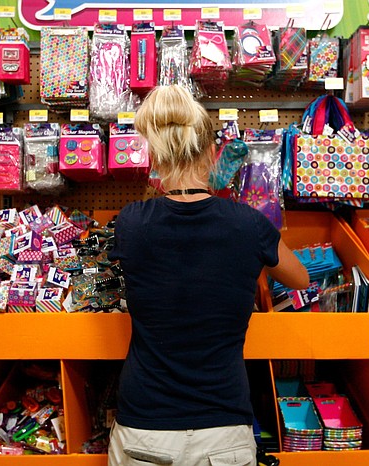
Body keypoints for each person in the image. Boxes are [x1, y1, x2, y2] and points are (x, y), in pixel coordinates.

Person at [107, 85, 310, 466]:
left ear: (156, 155)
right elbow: (300, 278)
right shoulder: (248, 224)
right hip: (223, 429)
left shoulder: (132, 223)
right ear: (210, 153)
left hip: (145, 425)